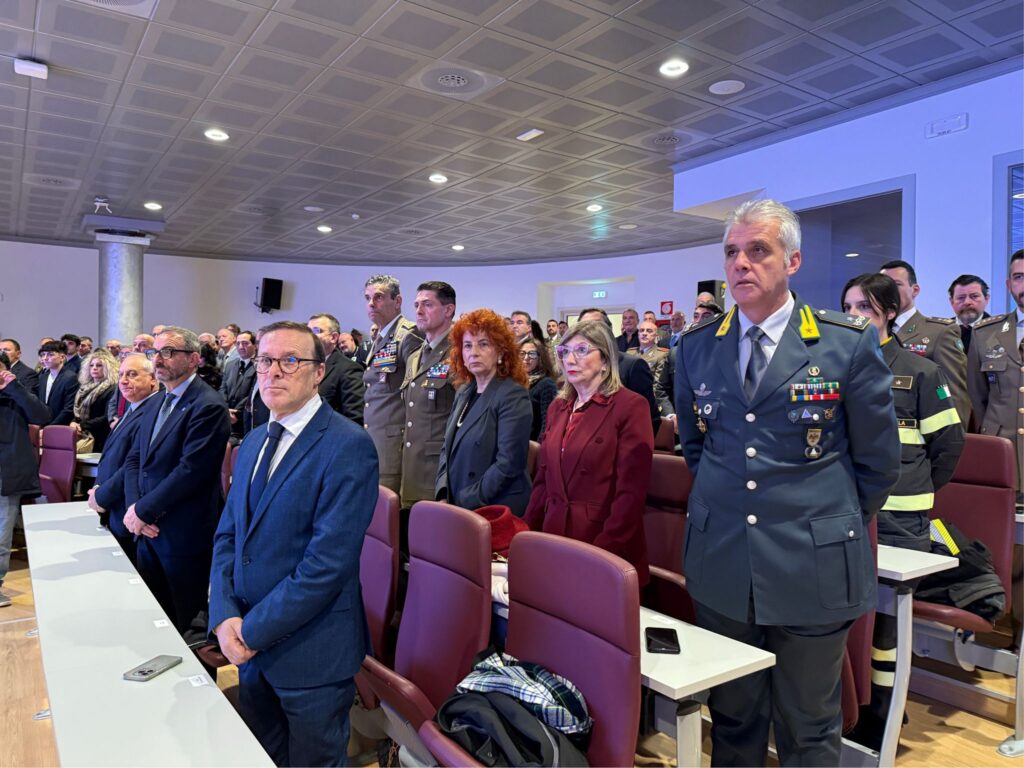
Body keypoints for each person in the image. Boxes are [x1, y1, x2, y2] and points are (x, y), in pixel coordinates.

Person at [674, 199, 899, 766]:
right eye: (732, 252)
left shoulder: (845, 342)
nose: (741, 263)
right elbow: (698, 449)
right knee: (732, 719)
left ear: (793, 261)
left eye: (758, 250)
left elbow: (877, 463)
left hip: (812, 566)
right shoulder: (696, 346)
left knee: (808, 726)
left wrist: (825, 520)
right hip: (723, 561)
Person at [209, 321, 377, 768]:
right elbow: (228, 536)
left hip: (311, 655)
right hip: (250, 647)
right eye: (266, 361)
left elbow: (326, 566)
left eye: (290, 361)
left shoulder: (348, 446)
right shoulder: (253, 442)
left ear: (319, 372)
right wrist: (224, 614)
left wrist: (251, 631)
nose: (273, 372)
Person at [841, 272, 964, 748]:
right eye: (848, 308)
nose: (854, 317)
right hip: (850, 513)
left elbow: (948, 445)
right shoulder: (836, 367)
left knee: (887, 624)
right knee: (852, 618)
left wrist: (917, 488)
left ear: (890, 313)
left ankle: (883, 716)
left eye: (865, 308)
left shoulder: (920, 371)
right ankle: (853, 706)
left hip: (900, 516)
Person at [524, 321, 653, 583]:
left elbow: (630, 495)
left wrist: (602, 555)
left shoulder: (630, 406)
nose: (570, 359)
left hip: (603, 545)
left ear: (605, 360)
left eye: (582, 350)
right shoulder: (558, 407)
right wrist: (525, 534)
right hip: (554, 538)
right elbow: (544, 481)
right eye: (564, 352)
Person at [123, 327, 231, 634]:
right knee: (154, 619)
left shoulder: (208, 405)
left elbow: (191, 471)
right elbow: (135, 460)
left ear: (193, 359)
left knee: (185, 623)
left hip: (183, 532)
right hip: (147, 528)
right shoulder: (156, 401)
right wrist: (135, 509)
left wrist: (143, 511)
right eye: (154, 352)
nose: (158, 359)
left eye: (168, 352)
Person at [436, 309, 532, 516]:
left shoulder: (513, 395)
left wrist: (465, 500)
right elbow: (446, 448)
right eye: (467, 345)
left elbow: (509, 463)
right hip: (456, 501)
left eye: (483, 344)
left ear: (500, 352)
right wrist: (443, 493)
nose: (474, 352)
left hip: (494, 506)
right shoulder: (463, 392)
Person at [88, 353, 161, 561]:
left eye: (132, 374)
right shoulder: (134, 407)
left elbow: (133, 464)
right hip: (115, 507)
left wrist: (102, 495)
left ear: (153, 379)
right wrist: (98, 487)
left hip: (127, 508)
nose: (124, 381)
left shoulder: (152, 411)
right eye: (121, 375)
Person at [881, 259, 969, 425]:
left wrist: (953, 437)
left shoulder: (939, 332)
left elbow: (953, 394)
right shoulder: (874, 331)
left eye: (896, 285)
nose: (888, 291)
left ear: (915, 290)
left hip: (921, 429)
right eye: (883, 286)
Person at [969, 250, 1024, 496]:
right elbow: (978, 395)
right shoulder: (985, 333)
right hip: (1003, 452)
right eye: (1019, 277)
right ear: (1009, 284)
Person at [362, 275, 422, 493]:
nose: (371, 303)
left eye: (378, 297)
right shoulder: (379, 336)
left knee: (387, 506)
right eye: (367, 298)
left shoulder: (408, 335)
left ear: (397, 301)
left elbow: (416, 391)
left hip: (393, 444)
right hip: (374, 438)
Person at [400, 282, 457, 509]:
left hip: (438, 472)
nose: (419, 311)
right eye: (416, 305)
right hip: (411, 468)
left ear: (448, 310)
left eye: (427, 304)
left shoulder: (459, 353)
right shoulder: (415, 356)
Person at [0, 351, 50, 607]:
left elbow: (42, 416)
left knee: (1, 536)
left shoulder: (15, 394)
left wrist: (14, 388)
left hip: (6, 475)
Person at [578, 308, 661, 437]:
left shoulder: (633, 366)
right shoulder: (576, 366)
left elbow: (649, 419)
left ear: (609, 330)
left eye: (596, 325)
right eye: (583, 327)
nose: (590, 331)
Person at [307, 314, 363, 424]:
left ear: (333, 337)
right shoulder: (303, 364)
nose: (309, 336)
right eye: (308, 332)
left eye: (316, 331)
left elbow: (354, 419)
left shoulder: (349, 369)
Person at [71, 350, 118, 452]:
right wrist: (74, 422)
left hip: (101, 437)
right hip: (84, 434)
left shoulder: (113, 388)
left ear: (108, 368)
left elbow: (107, 417)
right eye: (91, 365)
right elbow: (77, 412)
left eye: (99, 365)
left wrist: (82, 425)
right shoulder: (84, 387)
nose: (94, 368)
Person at [628, 319, 673, 419]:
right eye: (641, 330)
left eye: (649, 331)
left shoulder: (662, 354)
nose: (644, 333)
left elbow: (658, 384)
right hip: (628, 399)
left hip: (649, 401)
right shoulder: (630, 353)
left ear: (656, 335)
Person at [220, 330, 259, 441]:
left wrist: (237, 413)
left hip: (246, 418)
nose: (241, 347)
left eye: (245, 343)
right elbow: (222, 388)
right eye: (238, 343)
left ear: (255, 345)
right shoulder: (230, 364)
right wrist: (225, 409)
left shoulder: (259, 366)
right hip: (227, 417)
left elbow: (253, 393)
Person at [520, 337, 558, 441]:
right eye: (522, 353)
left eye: (532, 354)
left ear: (541, 357)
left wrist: (538, 447)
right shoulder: (516, 382)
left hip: (533, 445)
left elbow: (548, 423)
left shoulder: (546, 384)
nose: (526, 358)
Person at [36, 340, 79, 426]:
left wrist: (51, 426)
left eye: (50, 354)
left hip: (61, 425)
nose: (45, 358)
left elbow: (69, 408)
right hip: (43, 423)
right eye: (43, 355)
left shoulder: (70, 377)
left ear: (62, 357)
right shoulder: (42, 377)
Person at [948, 274, 990, 353]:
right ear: (951, 301)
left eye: (974, 296)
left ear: (986, 299)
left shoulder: (999, 330)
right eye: (961, 298)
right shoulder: (941, 330)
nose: (967, 302)